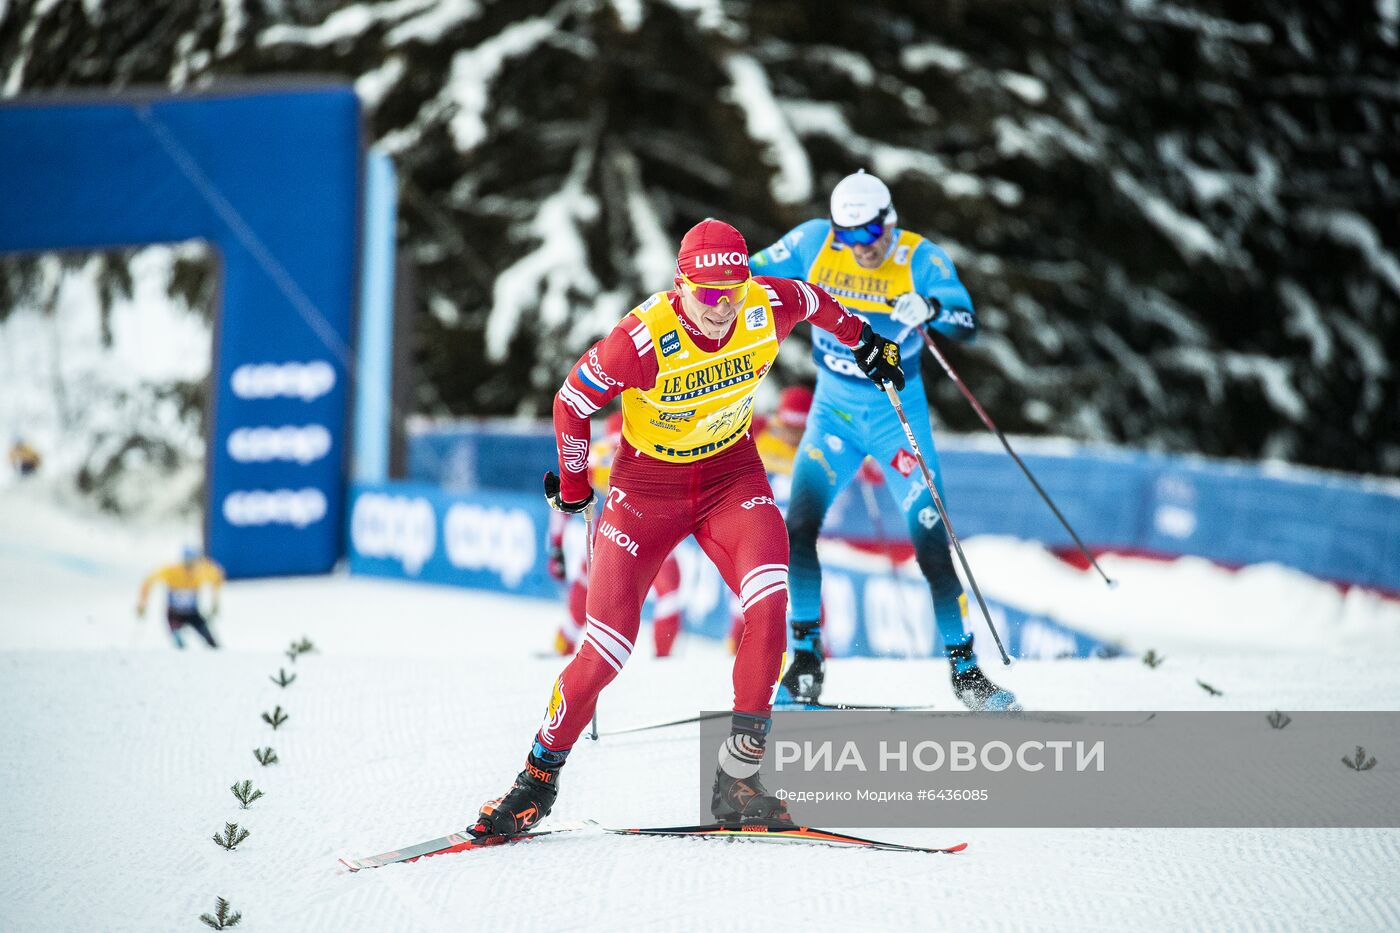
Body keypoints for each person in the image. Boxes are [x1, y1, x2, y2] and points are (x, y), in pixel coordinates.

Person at [472, 218, 905, 836]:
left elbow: (817, 301)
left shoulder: (765, 303)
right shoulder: (643, 339)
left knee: (769, 603)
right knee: (606, 650)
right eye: (706, 293)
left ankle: (739, 781)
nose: (721, 307)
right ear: (681, 286)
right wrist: (573, 489)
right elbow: (572, 402)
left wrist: (867, 344)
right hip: (647, 490)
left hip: (731, 476)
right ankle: (535, 783)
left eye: (733, 290)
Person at [751, 170, 1018, 711]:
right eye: (846, 237)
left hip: (898, 418)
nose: (858, 248)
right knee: (795, 530)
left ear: (888, 222)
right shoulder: (811, 243)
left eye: (868, 235)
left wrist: (934, 310)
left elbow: (968, 322)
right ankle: (806, 662)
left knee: (930, 544)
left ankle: (967, 675)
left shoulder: (920, 257)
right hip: (832, 417)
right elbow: (748, 275)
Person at [547, 412, 684, 658]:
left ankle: (564, 642)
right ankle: (663, 655)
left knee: (588, 585)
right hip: (652, 529)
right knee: (669, 590)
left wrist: (556, 546)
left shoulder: (596, 454)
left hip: (611, 529)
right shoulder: (658, 449)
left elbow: (564, 501)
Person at [724, 385, 813, 653]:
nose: (792, 435)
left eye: (799, 430)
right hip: (759, 528)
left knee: (806, 593)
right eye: (788, 427)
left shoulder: (816, 444)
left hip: (796, 533)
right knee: (748, 594)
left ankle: (813, 652)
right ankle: (733, 650)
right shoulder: (762, 429)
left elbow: (867, 472)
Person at [137, 546, 225, 649]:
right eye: (188, 563)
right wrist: (142, 604)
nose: (191, 567)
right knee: (179, 643)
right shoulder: (172, 571)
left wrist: (215, 602)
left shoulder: (201, 571)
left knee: (212, 642)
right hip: (174, 614)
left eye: (194, 563)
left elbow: (218, 577)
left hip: (193, 613)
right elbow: (148, 581)